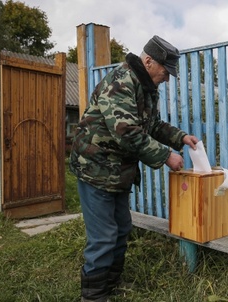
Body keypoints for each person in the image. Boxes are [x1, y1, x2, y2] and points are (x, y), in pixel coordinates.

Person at [69, 35, 199, 302]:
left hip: (118, 171)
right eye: (165, 72)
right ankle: (93, 297)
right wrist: (166, 156)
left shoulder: (147, 89)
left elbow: (152, 126)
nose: (167, 78)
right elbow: (126, 132)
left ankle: (110, 286)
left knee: (121, 230)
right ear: (149, 61)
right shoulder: (120, 82)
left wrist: (180, 137)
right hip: (95, 168)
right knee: (104, 237)